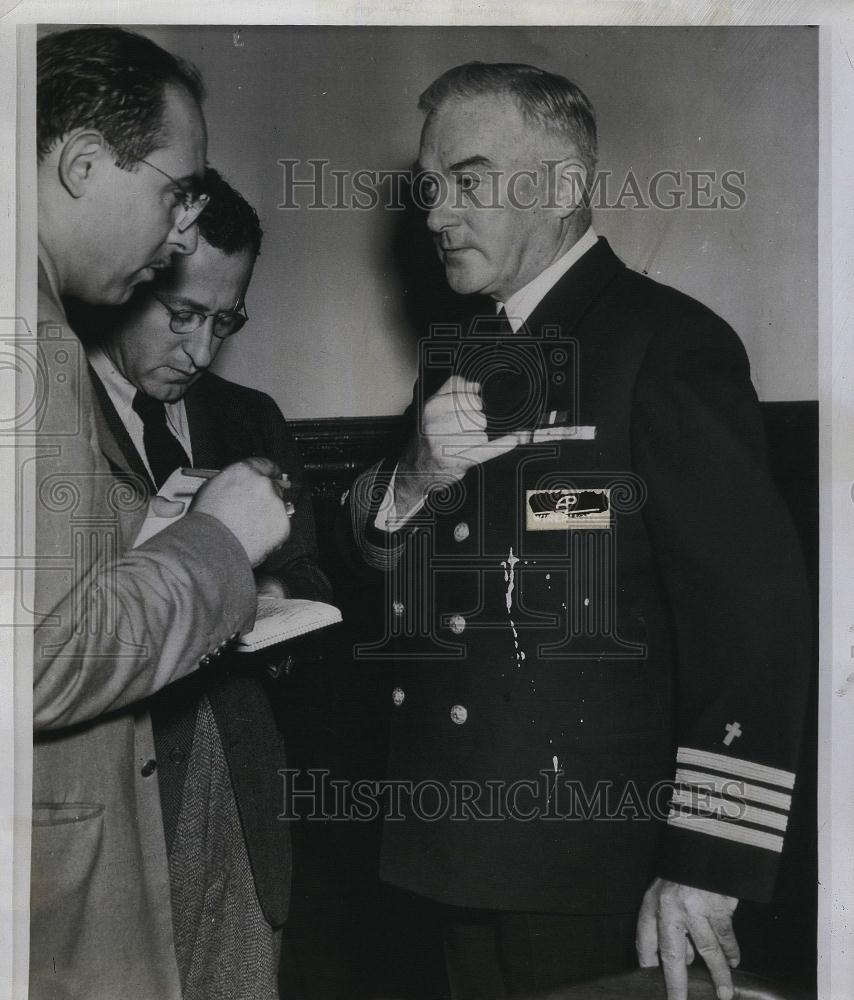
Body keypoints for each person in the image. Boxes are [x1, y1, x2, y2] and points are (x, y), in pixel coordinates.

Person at [345, 62, 811, 1000]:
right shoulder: (465, 353)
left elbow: (754, 620)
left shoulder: (665, 343)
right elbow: (391, 585)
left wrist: (711, 860)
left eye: (468, 181)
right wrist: (414, 477)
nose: (437, 213)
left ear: (562, 187)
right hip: (459, 846)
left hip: (603, 864)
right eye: (430, 188)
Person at [33, 28, 290, 999]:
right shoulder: (33, 339)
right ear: (84, 163)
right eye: (176, 192)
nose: (182, 232)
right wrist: (216, 537)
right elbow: (47, 657)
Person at [70, 166, 331, 999]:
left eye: (226, 320)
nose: (202, 350)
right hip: (113, 804)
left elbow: (308, 572)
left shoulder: (251, 417)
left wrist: (280, 605)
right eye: (182, 315)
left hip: (243, 803)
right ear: (132, 278)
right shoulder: (51, 415)